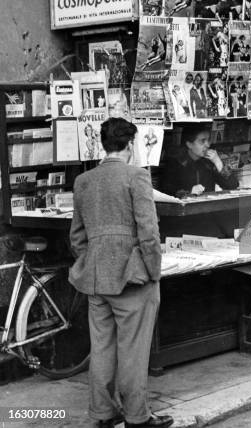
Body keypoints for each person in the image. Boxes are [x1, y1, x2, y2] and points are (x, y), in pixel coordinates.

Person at [69, 118, 172, 428]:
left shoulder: (83, 181)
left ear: (104, 145)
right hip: (133, 277)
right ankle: (137, 418)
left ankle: (102, 414)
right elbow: (149, 233)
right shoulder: (137, 177)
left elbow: (76, 237)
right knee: (134, 350)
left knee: (101, 348)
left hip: (96, 279)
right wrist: (152, 270)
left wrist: (94, 261)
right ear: (130, 145)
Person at [160, 126, 239, 197]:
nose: (207, 145)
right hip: (186, 210)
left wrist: (218, 163)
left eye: (208, 140)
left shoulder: (209, 162)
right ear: (189, 144)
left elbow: (233, 185)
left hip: (208, 208)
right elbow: (167, 192)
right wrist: (189, 192)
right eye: (202, 141)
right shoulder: (175, 164)